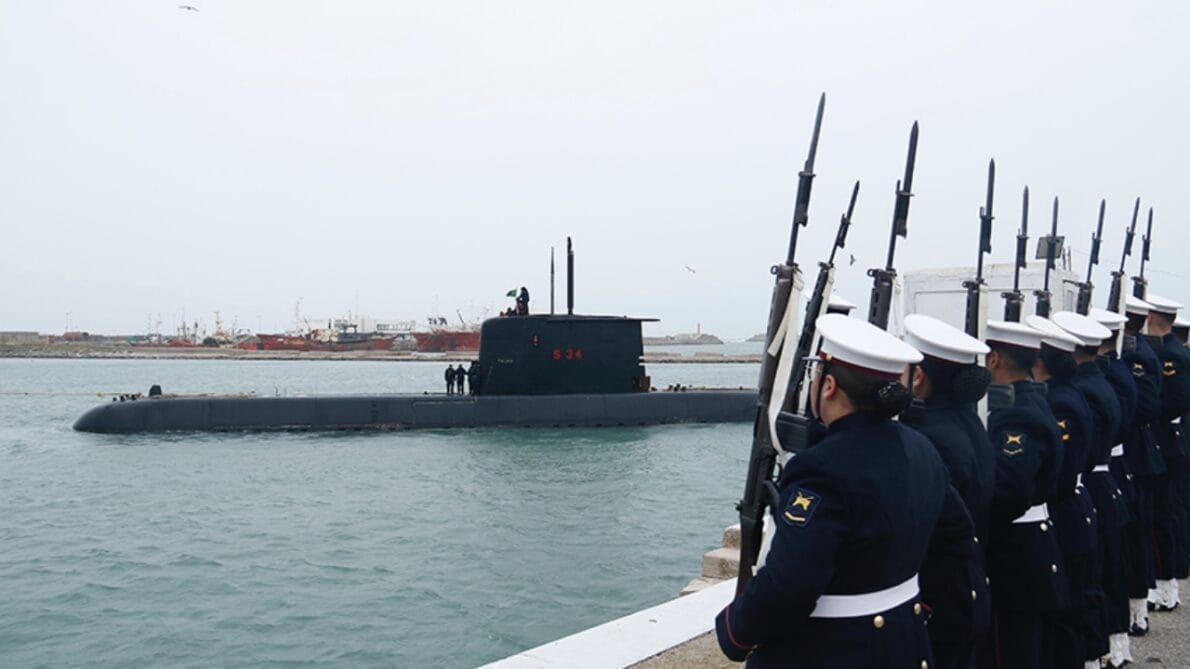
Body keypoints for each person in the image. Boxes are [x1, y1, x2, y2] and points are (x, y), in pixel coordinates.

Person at [714, 314, 975, 668]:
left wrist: (734, 631)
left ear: (829, 385)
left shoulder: (819, 468)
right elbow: (957, 535)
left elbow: (789, 586)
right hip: (904, 639)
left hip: (831, 651)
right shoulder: (922, 448)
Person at [900, 314, 993, 669]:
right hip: (968, 580)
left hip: (939, 591)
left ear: (919, 377)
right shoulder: (968, 423)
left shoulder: (929, 439)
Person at [1026, 315, 1104, 669]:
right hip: (1073, 506)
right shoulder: (1063, 395)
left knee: (1069, 607)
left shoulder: (1061, 402)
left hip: (1066, 510)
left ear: (1040, 360)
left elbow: (1059, 470)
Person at [1052, 311, 1125, 667]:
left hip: (1085, 485)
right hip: (1094, 484)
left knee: (1083, 584)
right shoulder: (1098, 384)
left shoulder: (1078, 392)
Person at [1089, 307, 1141, 667]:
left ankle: (1111, 640)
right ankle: (1116, 639)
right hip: (1108, 474)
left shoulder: (1103, 382)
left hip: (1098, 475)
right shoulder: (1113, 376)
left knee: (1105, 565)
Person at [1142, 293, 1190, 612]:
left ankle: (1168, 581)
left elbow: (1175, 400)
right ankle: (1164, 578)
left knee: (1167, 510)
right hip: (1162, 438)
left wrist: (1148, 415)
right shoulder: (1164, 351)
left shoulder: (1172, 355)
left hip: (1168, 439)